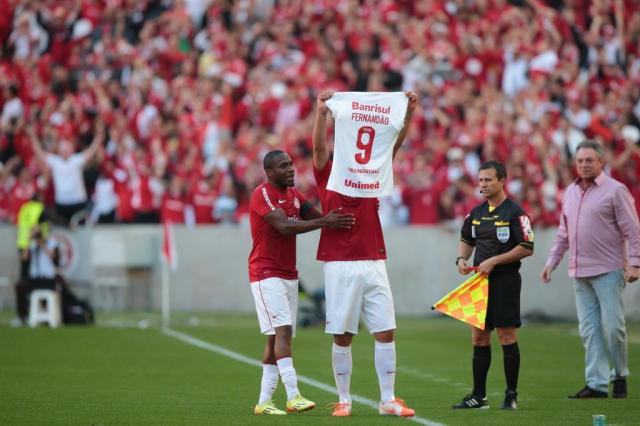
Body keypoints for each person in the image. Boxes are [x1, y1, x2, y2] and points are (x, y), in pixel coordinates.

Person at [311, 90, 417, 418]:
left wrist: (409, 113)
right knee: (343, 334)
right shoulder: (329, 175)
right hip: (340, 262)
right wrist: (321, 113)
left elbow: (394, 145)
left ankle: (388, 399)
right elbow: (317, 148)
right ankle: (343, 399)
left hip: (373, 258)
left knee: (386, 330)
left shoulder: (373, 173)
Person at [249, 149, 355, 415]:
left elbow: (319, 216)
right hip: (265, 273)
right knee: (283, 333)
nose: (291, 169)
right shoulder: (262, 194)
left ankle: (263, 401)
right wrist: (325, 221)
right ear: (270, 172)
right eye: (283, 166)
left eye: (291, 165)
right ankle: (293, 395)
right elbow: (284, 227)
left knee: (276, 337)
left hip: (288, 274)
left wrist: (340, 216)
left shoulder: (294, 196)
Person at [541, 140, 640, 399]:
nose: (583, 165)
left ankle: (619, 374)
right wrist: (552, 262)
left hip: (609, 270)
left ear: (601, 162)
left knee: (613, 328)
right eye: (580, 161)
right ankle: (596, 384)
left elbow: (633, 229)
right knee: (589, 330)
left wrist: (636, 263)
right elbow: (564, 233)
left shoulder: (616, 190)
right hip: (579, 272)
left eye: (589, 160)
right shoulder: (570, 192)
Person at [453, 160, 534, 410]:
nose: (483, 184)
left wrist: (493, 262)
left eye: (488, 179)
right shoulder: (475, 214)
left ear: (502, 180)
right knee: (478, 337)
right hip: (479, 283)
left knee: (506, 334)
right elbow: (466, 239)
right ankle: (479, 396)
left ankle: (511, 395)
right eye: (480, 180)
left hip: (505, 281)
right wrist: (461, 259)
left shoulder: (516, 213)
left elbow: (527, 247)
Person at [29, 122, 104, 224]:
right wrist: (33, 137)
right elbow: (40, 153)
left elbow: (91, 151)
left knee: (80, 228)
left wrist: (98, 137)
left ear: (72, 150)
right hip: (62, 203)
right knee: (61, 228)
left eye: (67, 149)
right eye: (63, 149)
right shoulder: (55, 161)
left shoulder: (76, 160)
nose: (65, 151)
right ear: (59, 150)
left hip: (78, 201)